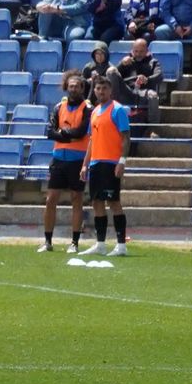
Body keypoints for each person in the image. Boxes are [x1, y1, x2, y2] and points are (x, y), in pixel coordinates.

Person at [39, 70, 90, 253]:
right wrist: (67, 136)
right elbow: (49, 132)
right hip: (59, 159)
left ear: (82, 88)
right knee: (51, 198)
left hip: (77, 160)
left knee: (77, 199)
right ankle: (47, 241)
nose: (73, 89)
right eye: (71, 86)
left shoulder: (87, 108)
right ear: (66, 88)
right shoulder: (58, 107)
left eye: (77, 86)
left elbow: (81, 132)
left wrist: (63, 134)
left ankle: (74, 242)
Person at [80, 75, 131, 256]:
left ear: (110, 90)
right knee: (96, 202)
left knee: (114, 202)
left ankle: (121, 245)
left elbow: (126, 138)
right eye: (98, 89)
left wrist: (122, 161)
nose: (101, 92)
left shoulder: (117, 110)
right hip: (96, 163)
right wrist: (85, 164)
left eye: (104, 89)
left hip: (111, 163)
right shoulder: (94, 112)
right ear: (94, 90)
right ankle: (100, 244)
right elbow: (92, 140)